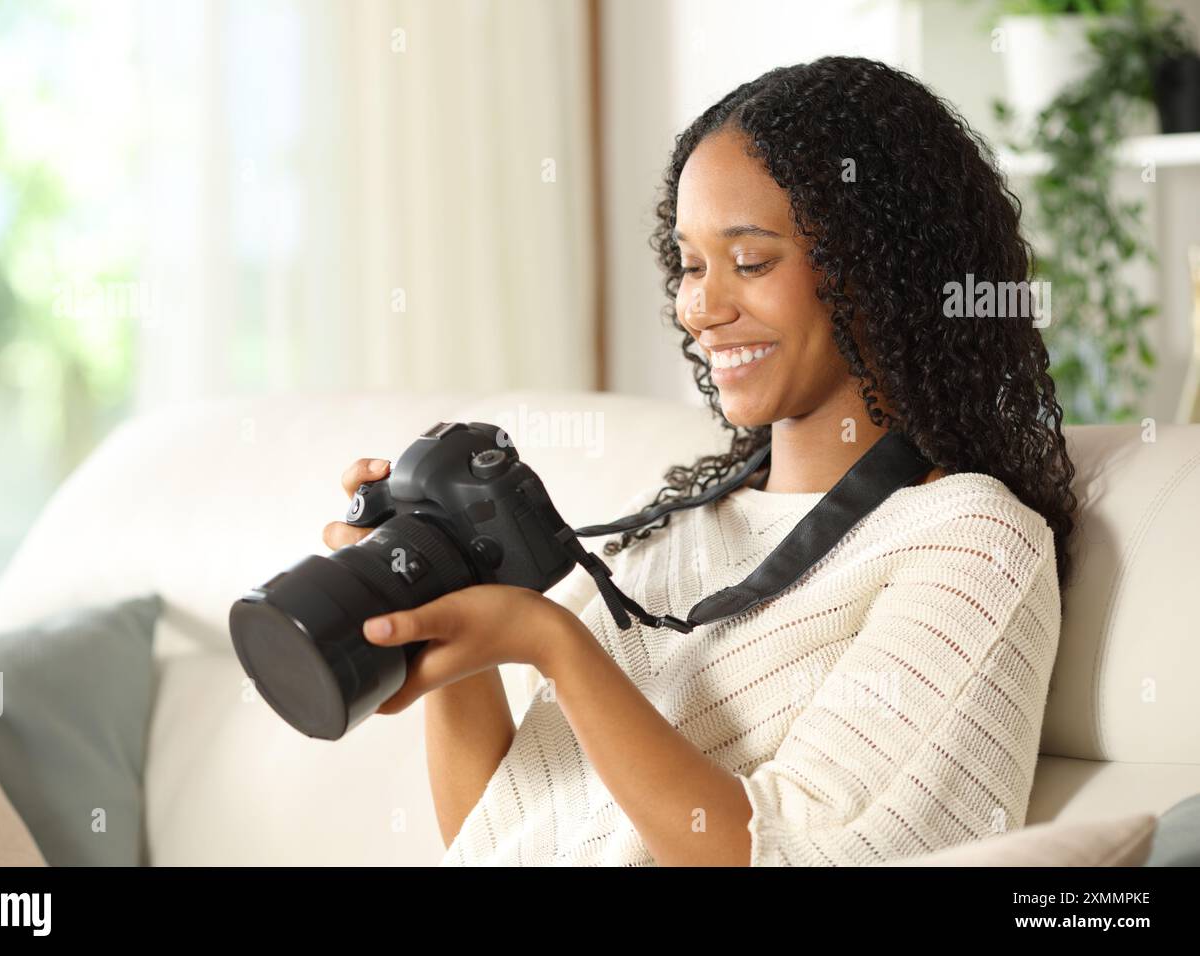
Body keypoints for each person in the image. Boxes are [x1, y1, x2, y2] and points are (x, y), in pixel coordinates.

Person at [323, 56, 1076, 866]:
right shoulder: (675, 535)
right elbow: (499, 845)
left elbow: (801, 856)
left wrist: (554, 647)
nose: (701, 309)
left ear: (879, 267)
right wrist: (438, 590)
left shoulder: (973, 541)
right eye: (689, 265)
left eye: (750, 262)